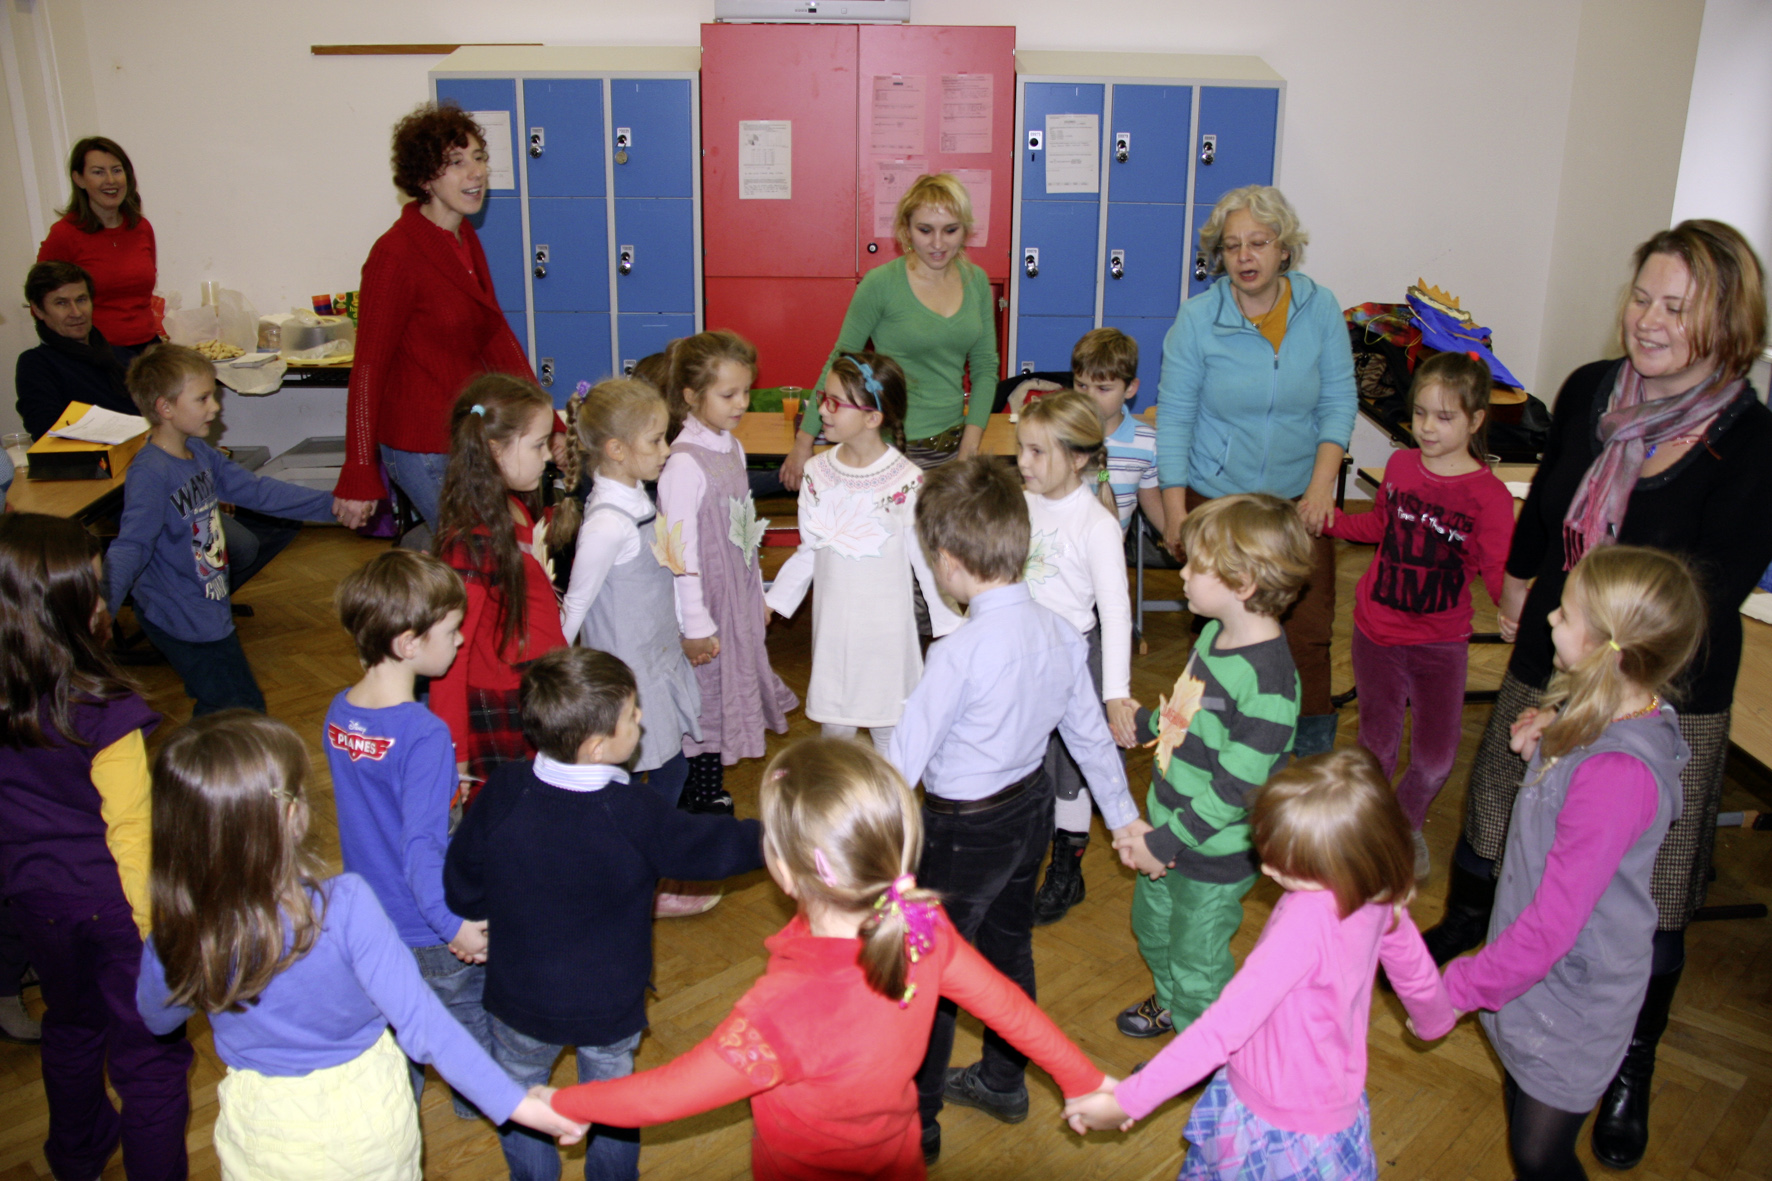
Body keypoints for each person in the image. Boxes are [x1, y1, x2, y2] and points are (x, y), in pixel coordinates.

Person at [1423, 220, 1772, 1170]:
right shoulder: (1590, 390)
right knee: (1502, 810)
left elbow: (1705, 595)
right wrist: (1520, 586)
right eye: (1642, 297)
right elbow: (1546, 509)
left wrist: (1604, 697)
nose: (1647, 320)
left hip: (1664, 685)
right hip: (1562, 639)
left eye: (1676, 308)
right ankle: (1473, 935)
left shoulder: (1749, 440)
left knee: (1652, 885)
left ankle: (1630, 1061)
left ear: (1729, 324)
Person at [548, 737, 1116, 1180]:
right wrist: (1083, 1078)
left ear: (782, 869)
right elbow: (1008, 1007)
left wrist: (565, 1101)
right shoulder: (922, 925)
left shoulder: (781, 1013)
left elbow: (668, 1093)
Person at [135, 712, 581, 1178]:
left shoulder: (177, 933)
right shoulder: (345, 906)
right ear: (291, 816)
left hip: (264, 1125)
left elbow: (157, 1017)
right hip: (366, 1116)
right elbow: (424, 1022)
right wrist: (515, 1103)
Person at [886, 456, 1148, 1161]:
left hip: (961, 831)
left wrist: (854, 848)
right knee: (1008, 947)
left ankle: (919, 1121)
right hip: (1030, 812)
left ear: (948, 562)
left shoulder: (957, 653)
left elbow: (900, 765)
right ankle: (1003, 1079)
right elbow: (1089, 740)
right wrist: (1124, 818)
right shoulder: (1061, 632)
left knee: (932, 971)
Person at [444, 648, 766, 1181]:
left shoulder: (503, 789)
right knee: (614, 1104)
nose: (640, 718)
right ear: (596, 746)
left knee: (519, 1099)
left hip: (518, 997)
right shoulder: (635, 812)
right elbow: (711, 846)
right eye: (631, 715)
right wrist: (775, 837)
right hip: (609, 1003)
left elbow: (462, 872)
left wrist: (474, 919)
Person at [1066, 748, 1458, 1179]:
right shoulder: (1376, 889)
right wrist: (1434, 1021)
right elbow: (1414, 970)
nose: (1267, 869)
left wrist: (1129, 1100)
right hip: (1332, 1103)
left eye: (1285, 863)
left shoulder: (1304, 923)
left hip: (1271, 1118)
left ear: (1331, 863)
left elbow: (1223, 1027)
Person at [1442, 546, 1705, 1181]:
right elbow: (1609, 719)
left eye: (1564, 614)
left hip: (1573, 993)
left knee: (1539, 1153)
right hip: (1533, 969)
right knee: (1521, 1102)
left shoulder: (1617, 778)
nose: (1550, 619)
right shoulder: (1611, 704)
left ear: (1609, 650)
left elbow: (1553, 927)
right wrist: (1552, 722)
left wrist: (1456, 989)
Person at [0, 513, 192, 1181]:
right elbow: (133, 833)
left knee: (72, 1025)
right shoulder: (105, 711)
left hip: (36, 901)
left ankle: (75, 1155)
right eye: (93, 590)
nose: (105, 603)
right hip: (118, 911)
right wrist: (158, 935)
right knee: (151, 1061)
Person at [1155, 184, 1357, 758]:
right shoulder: (1198, 318)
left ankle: (1307, 765)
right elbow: (1175, 417)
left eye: (1259, 243)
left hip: (1297, 500)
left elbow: (1338, 402)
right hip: (1219, 500)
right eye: (1232, 246)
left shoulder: (1319, 309)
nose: (1245, 256)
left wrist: (1320, 488)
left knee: (1309, 635)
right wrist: (1175, 511)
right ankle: (1205, 749)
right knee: (1217, 632)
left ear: (1284, 248)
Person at [1116, 494, 1314, 1040]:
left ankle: (1205, 1054)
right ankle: (1171, 1002)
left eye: (1196, 566)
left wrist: (1165, 842)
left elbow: (1234, 791)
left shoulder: (1269, 688)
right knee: (1153, 929)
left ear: (1242, 583)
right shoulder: (1212, 634)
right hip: (1169, 826)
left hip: (1213, 852)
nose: (1181, 574)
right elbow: (1189, 708)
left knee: (1197, 959)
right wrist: (1150, 725)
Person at [1325, 351, 1515, 880]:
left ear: (1476, 420)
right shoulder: (1402, 467)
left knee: (1434, 761)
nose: (1427, 427)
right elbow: (1379, 526)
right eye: (1420, 413)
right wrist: (1329, 521)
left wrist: (1515, 612)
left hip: (1440, 645)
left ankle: (1404, 823)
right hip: (1376, 632)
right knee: (1376, 749)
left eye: (1445, 417)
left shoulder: (1490, 498)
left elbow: (1498, 573)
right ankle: (1365, 829)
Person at [328, 548, 495, 1112]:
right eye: (451, 631)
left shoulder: (340, 713)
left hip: (369, 915)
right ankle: (482, 1103)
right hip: (426, 924)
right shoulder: (424, 733)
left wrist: (442, 785)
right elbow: (421, 848)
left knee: (394, 1018)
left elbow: (377, 800)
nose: (461, 641)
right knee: (465, 1016)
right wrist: (454, 926)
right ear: (407, 643)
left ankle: (395, 1112)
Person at [332, 103, 535, 534]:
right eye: (457, 163)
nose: (476, 173)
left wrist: (540, 416)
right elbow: (368, 368)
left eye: (479, 157)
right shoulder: (395, 254)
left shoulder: (463, 238)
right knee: (479, 553)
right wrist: (359, 470)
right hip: (421, 444)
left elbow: (493, 333)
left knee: (488, 550)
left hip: (464, 433)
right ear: (425, 178)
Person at [106, 345, 336, 716]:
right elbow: (131, 545)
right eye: (203, 398)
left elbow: (257, 492)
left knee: (228, 707)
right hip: (179, 613)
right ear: (165, 407)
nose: (215, 407)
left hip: (207, 603)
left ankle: (211, 751)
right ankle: (209, 754)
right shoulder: (151, 472)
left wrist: (333, 505)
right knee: (236, 709)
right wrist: (102, 606)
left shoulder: (200, 453)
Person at [558, 377, 714, 918]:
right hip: (628, 673)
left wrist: (684, 628)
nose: (667, 450)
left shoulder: (639, 500)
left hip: (656, 658)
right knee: (651, 773)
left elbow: (666, 574)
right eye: (656, 440)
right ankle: (629, 875)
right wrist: (553, 675)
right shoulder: (607, 523)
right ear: (616, 450)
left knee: (662, 770)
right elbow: (576, 604)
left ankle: (631, 870)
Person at [764, 352, 960, 754]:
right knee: (836, 738)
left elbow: (926, 562)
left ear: (873, 418)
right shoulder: (817, 473)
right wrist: (771, 602)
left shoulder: (907, 481)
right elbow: (810, 549)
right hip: (835, 633)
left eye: (835, 403)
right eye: (824, 398)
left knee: (892, 738)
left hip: (887, 636)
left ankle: (892, 798)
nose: (822, 409)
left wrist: (950, 625)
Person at [657, 330, 798, 814]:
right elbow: (678, 554)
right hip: (704, 605)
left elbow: (744, 533)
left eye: (746, 392)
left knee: (725, 691)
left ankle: (710, 788)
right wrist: (694, 626)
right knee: (705, 699)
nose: (742, 403)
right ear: (691, 396)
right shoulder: (682, 465)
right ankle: (698, 796)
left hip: (735, 598)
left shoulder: (732, 448)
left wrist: (757, 594)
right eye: (728, 394)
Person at [781, 174, 998, 483]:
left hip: (953, 448)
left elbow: (985, 368)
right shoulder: (880, 284)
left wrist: (969, 448)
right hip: (888, 448)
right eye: (925, 230)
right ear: (906, 230)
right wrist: (804, 441)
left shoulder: (976, 282)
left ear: (965, 229)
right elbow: (838, 363)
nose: (938, 243)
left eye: (950, 230)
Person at [1012, 390, 1138, 926]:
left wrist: (1114, 695)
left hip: (1073, 666)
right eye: (1021, 448)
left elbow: (1116, 614)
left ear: (1078, 457)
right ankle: (1021, 859)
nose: (1023, 462)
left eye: (1037, 452)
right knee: (1024, 766)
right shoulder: (1022, 503)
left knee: (1071, 773)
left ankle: (1067, 867)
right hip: (1022, 659)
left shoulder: (1096, 524)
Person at [429, 373, 572, 791]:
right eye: (538, 445)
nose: (547, 457)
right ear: (494, 449)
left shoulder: (513, 509)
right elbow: (449, 657)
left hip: (537, 689)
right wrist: (453, 754)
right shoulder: (472, 542)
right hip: (503, 704)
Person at [36, 136, 159, 365]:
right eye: (98, 172)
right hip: (96, 355)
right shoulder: (64, 234)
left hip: (148, 349)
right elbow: (41, 301)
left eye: (116, 170)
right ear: (79, 179)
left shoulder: (141, 228)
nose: (110, 180)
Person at [15, 260, 139, 438]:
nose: (77, 313)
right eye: (61, 303)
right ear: (38, 310)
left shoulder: (124, 357)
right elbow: (46, 429)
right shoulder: (37, 364)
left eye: (81, 300)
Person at [1071, 327, 1163, 536]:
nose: (1089, 397)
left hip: (1111, 551)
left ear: (1130, 389)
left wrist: (1178, 539)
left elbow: (1151, 501)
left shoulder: (1147, 442)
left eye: (1103, 388)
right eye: (1082, 386)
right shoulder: (1060, 434)